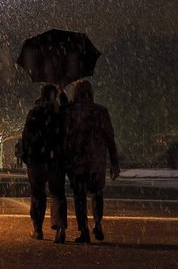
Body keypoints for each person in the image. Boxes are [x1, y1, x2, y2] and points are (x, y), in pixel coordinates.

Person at [65, 79, 120, 243]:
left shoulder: (71, 112)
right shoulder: (101, 112)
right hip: (96, 161)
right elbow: (110, 138)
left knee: (79, 197)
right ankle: (98, 222)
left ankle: (84, 230)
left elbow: (66, 136)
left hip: (78, 161)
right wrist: (114, 161)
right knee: (97, 193)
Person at [20, 84, 68, 243]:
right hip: (56, 159)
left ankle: (38, 228)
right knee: (57, 193)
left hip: (37, 159)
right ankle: (59, 228)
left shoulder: (35, 112)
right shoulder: (60, 113)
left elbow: (26, 136)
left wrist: (26, 156)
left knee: (38, 193)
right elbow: (66, 133)